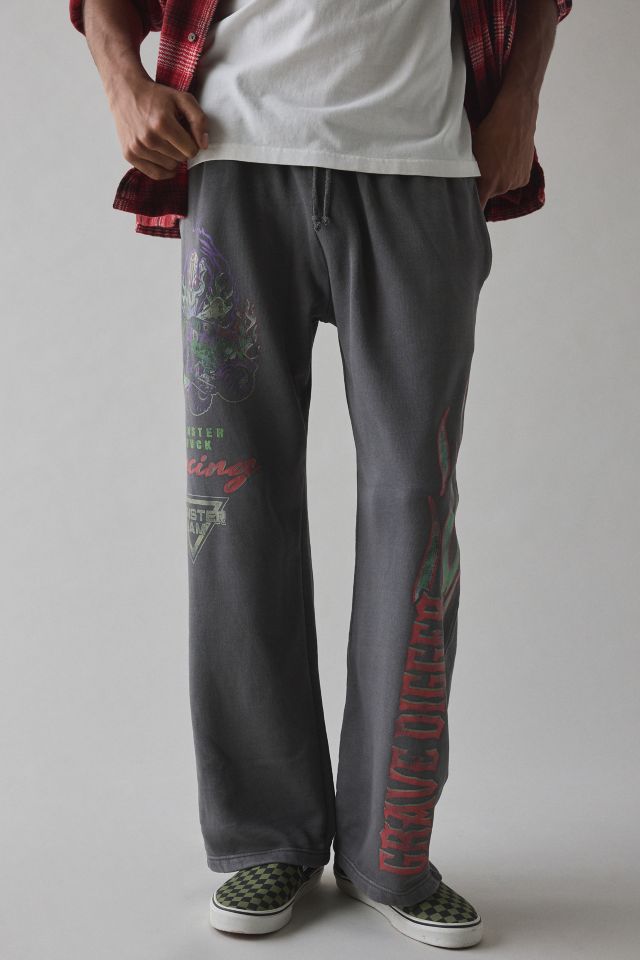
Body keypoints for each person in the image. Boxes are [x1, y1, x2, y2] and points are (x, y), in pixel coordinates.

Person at [69, 0, 572, 948]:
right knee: (234, 507)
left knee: (415, 511)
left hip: (422, 160)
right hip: (234, 150)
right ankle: (268, 837)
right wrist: (121, 80)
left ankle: (393, 850)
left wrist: (520, 102)